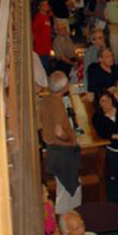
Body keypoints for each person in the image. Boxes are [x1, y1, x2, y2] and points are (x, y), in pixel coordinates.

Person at [40, 71, 82, 214]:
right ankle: (67, 226)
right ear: (64, 87)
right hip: (63, 153)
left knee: (63, 190)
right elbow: (59, 131)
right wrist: (70, 139)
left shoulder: (45, 100)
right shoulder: (57, 104)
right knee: (67, 193)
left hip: (54, 152)